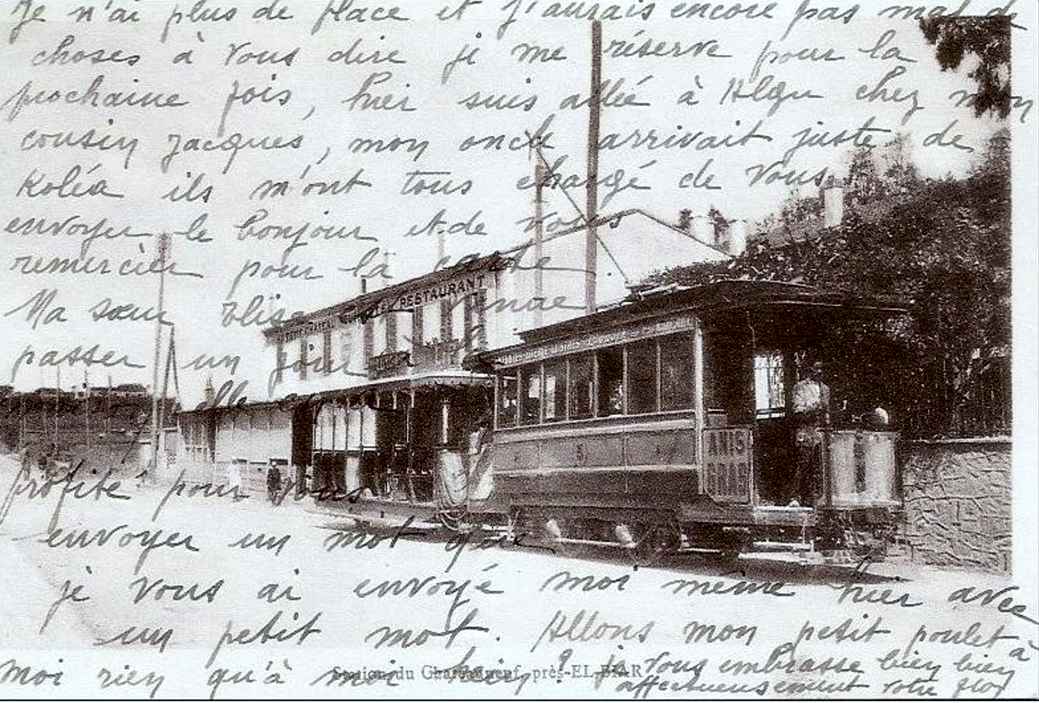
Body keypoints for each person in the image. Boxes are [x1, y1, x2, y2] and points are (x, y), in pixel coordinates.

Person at [789, 360, 831, 507]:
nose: (819, 372)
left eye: (821, 370)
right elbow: (797, 410)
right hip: (805, 430)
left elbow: (827, 411)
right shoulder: (800, 387)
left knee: (819, 466)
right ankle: (795, 497)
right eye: (816, 369)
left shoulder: (825, 389)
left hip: (820, 432)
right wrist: (814, 406)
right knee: (803, 464)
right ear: (810, 370)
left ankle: (815, 498)